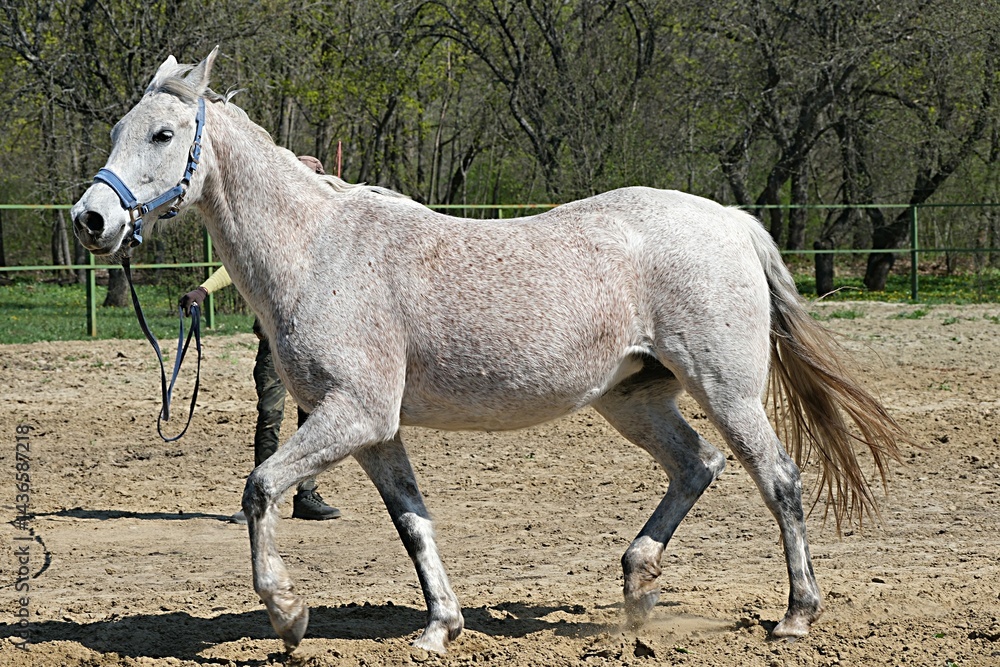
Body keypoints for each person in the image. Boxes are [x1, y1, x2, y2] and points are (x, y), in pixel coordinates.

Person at [180, 155, 341, 524]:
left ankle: (307, 494)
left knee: (312, 419)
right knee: (270, 414)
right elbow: (236, 264)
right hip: (276, 339)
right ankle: (260, 496)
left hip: (319, 340)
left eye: (315, 175)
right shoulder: (273, 228)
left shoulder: (330, 229)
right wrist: (205, 289)